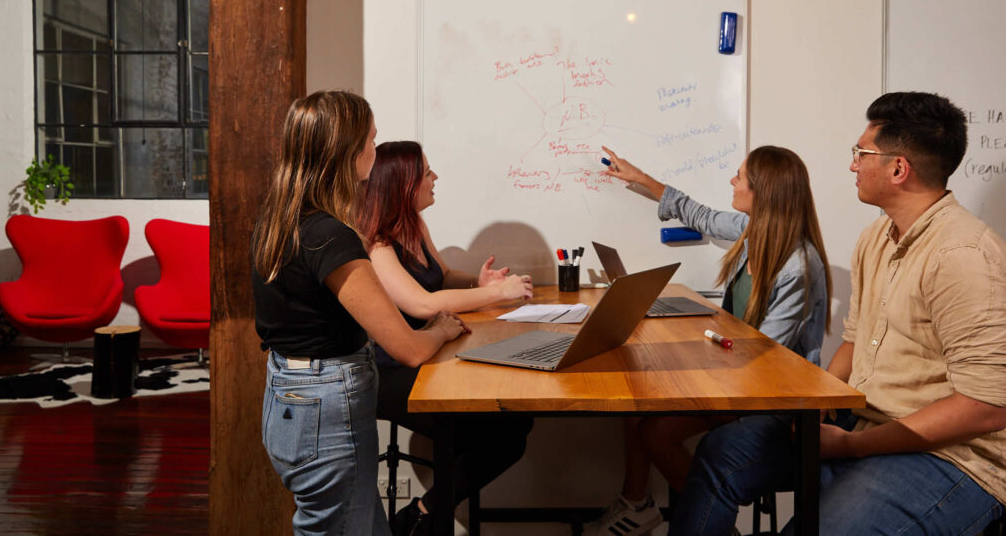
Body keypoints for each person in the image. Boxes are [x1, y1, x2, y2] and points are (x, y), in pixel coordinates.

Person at [672, 91, 1006, 535]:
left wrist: (854, 447)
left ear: (898, 168)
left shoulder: (963, 254)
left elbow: (985, 408)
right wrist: (820, 406)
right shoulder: (877, 237)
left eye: (860, 153)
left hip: (949, 455)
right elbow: (853, 340)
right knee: (721, 452)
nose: (852, 164)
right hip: (866, 418)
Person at [251, 92, 470, 536]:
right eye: (371, 139)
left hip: (290, 397)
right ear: (350, 152)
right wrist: (442, 328)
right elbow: (407, 349)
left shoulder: (281, 219)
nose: (376, 148)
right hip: (325, 408)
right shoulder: (331, 237)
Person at [587, 144, 832, 536]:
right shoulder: (752, 231)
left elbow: (764, 355)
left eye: (740, 176)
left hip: (770, 396)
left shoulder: (798, 265)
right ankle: (642, 508)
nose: (732, 181)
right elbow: (697, 213)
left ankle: (705, 525)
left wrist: (693, 360)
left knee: (655, 427)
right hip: (737, 378)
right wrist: (641, 178)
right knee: (638, 412)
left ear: (763, 192)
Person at [358, 140, 535, 536]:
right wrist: (496, 294)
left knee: (515, 423)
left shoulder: (414, 226)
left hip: (429, 355)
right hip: (392, 371)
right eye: (427, 172)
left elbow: (443, 277)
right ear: (404, 184)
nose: (435, 178)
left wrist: (478, 281)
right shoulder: (378, 247)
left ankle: (423, 513)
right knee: (506, 435)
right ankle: (422, 517)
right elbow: (422, 303)